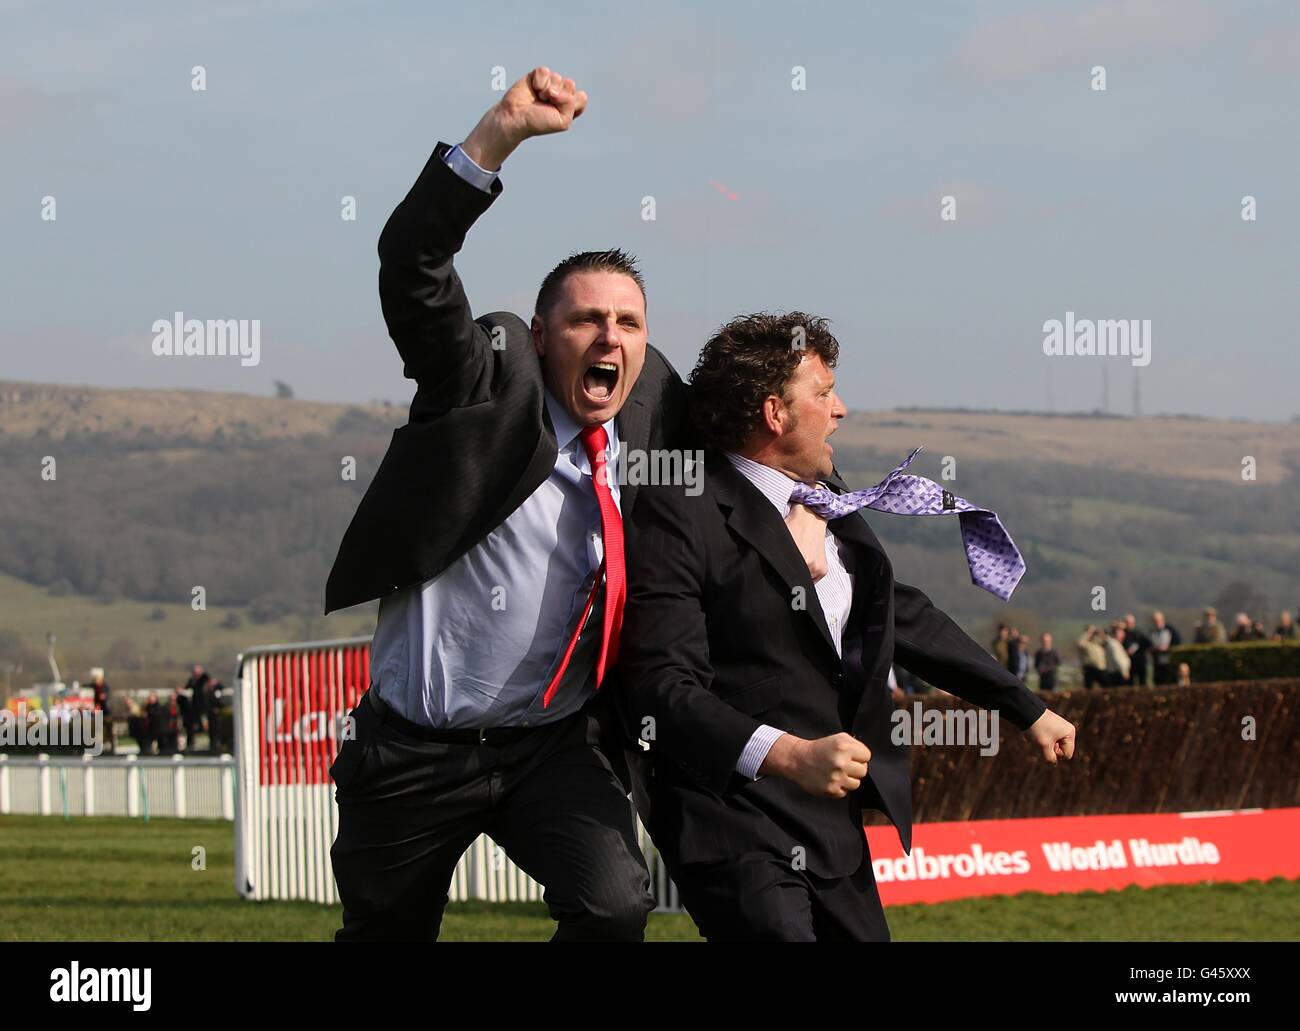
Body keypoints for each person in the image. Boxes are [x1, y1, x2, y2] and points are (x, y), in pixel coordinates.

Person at [322, 68, 687, 942]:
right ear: (536, 335)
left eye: (629, 323)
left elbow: (753, 446)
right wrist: (498, 135)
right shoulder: (479, 381)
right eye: (585, 320)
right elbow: (412, 265)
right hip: (414, 745)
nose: (610, 337)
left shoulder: (654, 415)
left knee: (614, 909)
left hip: (552, 747)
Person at [613, 312, 1075, 941]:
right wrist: (789, 754)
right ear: (775, 414)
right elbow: (661, 688)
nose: (841, 410)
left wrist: (1022, 706)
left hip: (832, 826)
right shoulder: (681, 511)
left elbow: (898, 612)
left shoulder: (826, 496)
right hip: (732, 822)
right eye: (824, 394)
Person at [1149, 610, 1181, 685]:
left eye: (1158, 621)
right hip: (1157, 660)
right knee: (1159, 680)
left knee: (1171, 678)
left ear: (1162, 620)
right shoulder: (1152, 631)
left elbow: (1178, 641)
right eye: (1155, 621)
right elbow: (1149, 644)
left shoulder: (1170, 629)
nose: (1157, 623)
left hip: (1170, 659)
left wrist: (1168, 647)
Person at [183, 664, 209, 752]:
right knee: (191, 727)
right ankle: (191, 744)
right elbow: (186, 689)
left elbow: (207, 679)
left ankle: (210, 744)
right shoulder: (192, 681)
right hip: (193, 708)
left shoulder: (204, 679)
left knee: (205, 725)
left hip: (203, 707)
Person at [1123, 613, 1150, 687]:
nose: (1129, 624)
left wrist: (1137, 647)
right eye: (1127, 622)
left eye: (1130, 622)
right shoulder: (1123, 634)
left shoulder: (1140, 633)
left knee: (1142, 683)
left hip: (1140, 661)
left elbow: (1148, 643)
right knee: (1129, 684)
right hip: (1129, 663)